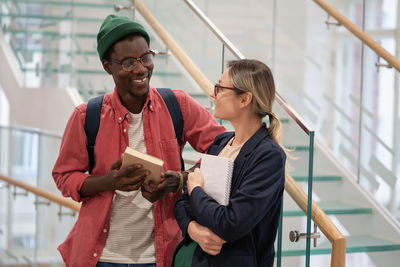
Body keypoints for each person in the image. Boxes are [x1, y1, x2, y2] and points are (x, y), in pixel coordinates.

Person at [52, 14, 225, 267]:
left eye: (145, 57)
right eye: (128, 62)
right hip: (100, 257)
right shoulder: (85, 117)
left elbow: (224, 149)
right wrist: (107, 182)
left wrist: (180, 180)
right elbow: (63, 176)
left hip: (162, 255)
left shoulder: (178, 105)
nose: (141, 69)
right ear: (107, 66)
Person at [173, 59, 287, 266]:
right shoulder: (221, 142)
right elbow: (182, 203)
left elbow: (230, 223)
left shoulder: (269, 157)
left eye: (220, 88)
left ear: (244, 99)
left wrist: (196, 189)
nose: (213, 95)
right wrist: (194, 230)